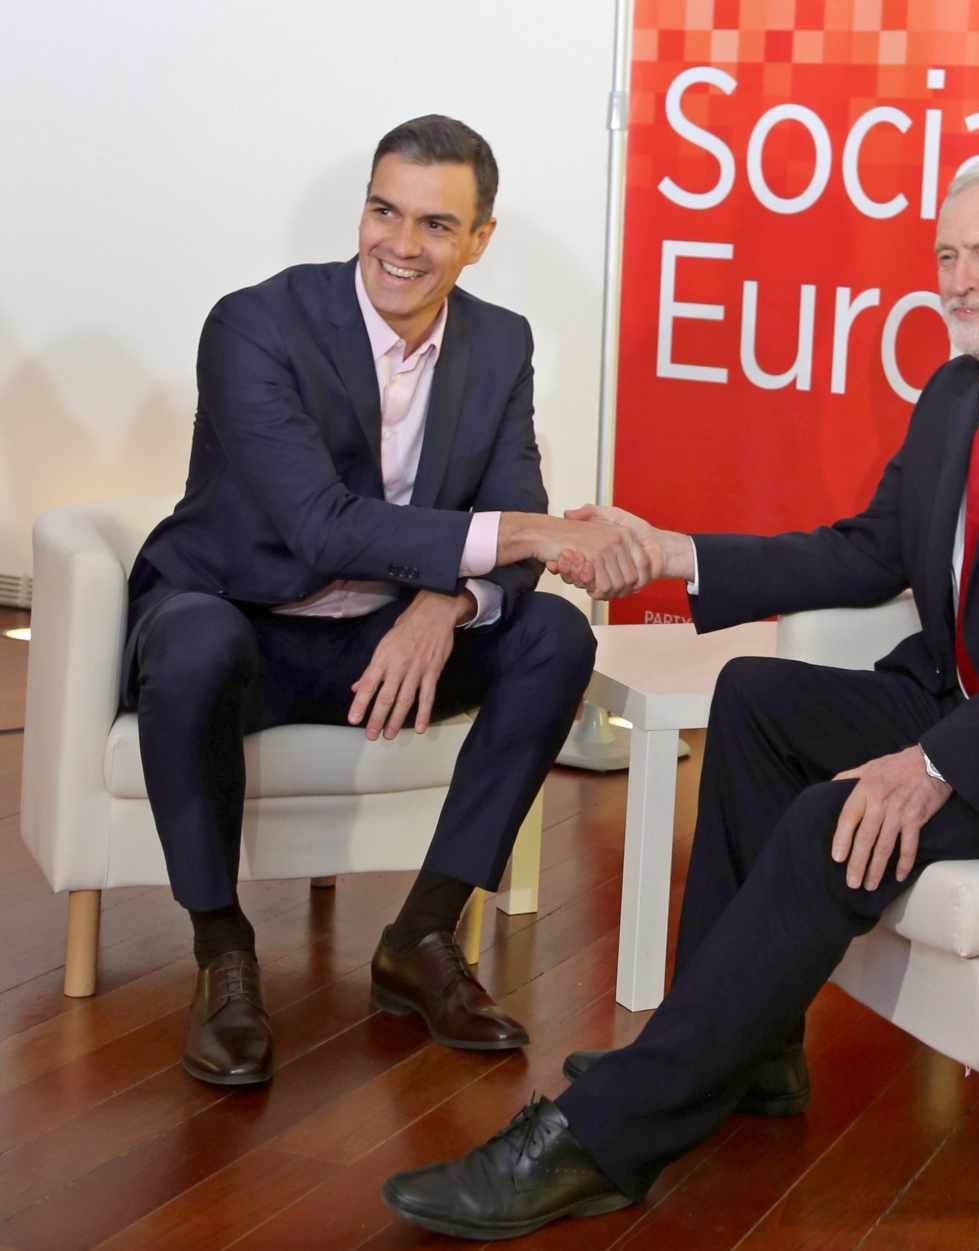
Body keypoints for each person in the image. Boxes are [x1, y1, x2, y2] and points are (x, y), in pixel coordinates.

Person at [381, 157, 979, 1240]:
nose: (956, 280)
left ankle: (607, 1134)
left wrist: (932, 765)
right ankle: (749, 1056)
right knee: (756, 699)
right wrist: (672, 557)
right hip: (975, 704)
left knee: (835, 819)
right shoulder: (951, 395)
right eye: (944, 256)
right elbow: (869, 552)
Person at [124, 114, 653, 1088]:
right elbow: (320, 524)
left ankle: (421, 936)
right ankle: (222, 952)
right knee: (190, 641)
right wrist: (532, 537)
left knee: (551, 634)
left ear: (479, 238)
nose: (401, 246)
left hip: (390, 638)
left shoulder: (499, 342)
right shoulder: (255, 325)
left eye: (435, 225)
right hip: (245, 621)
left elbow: (514, 498)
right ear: (364, 208)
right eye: (384, 211)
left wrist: (440, 606)